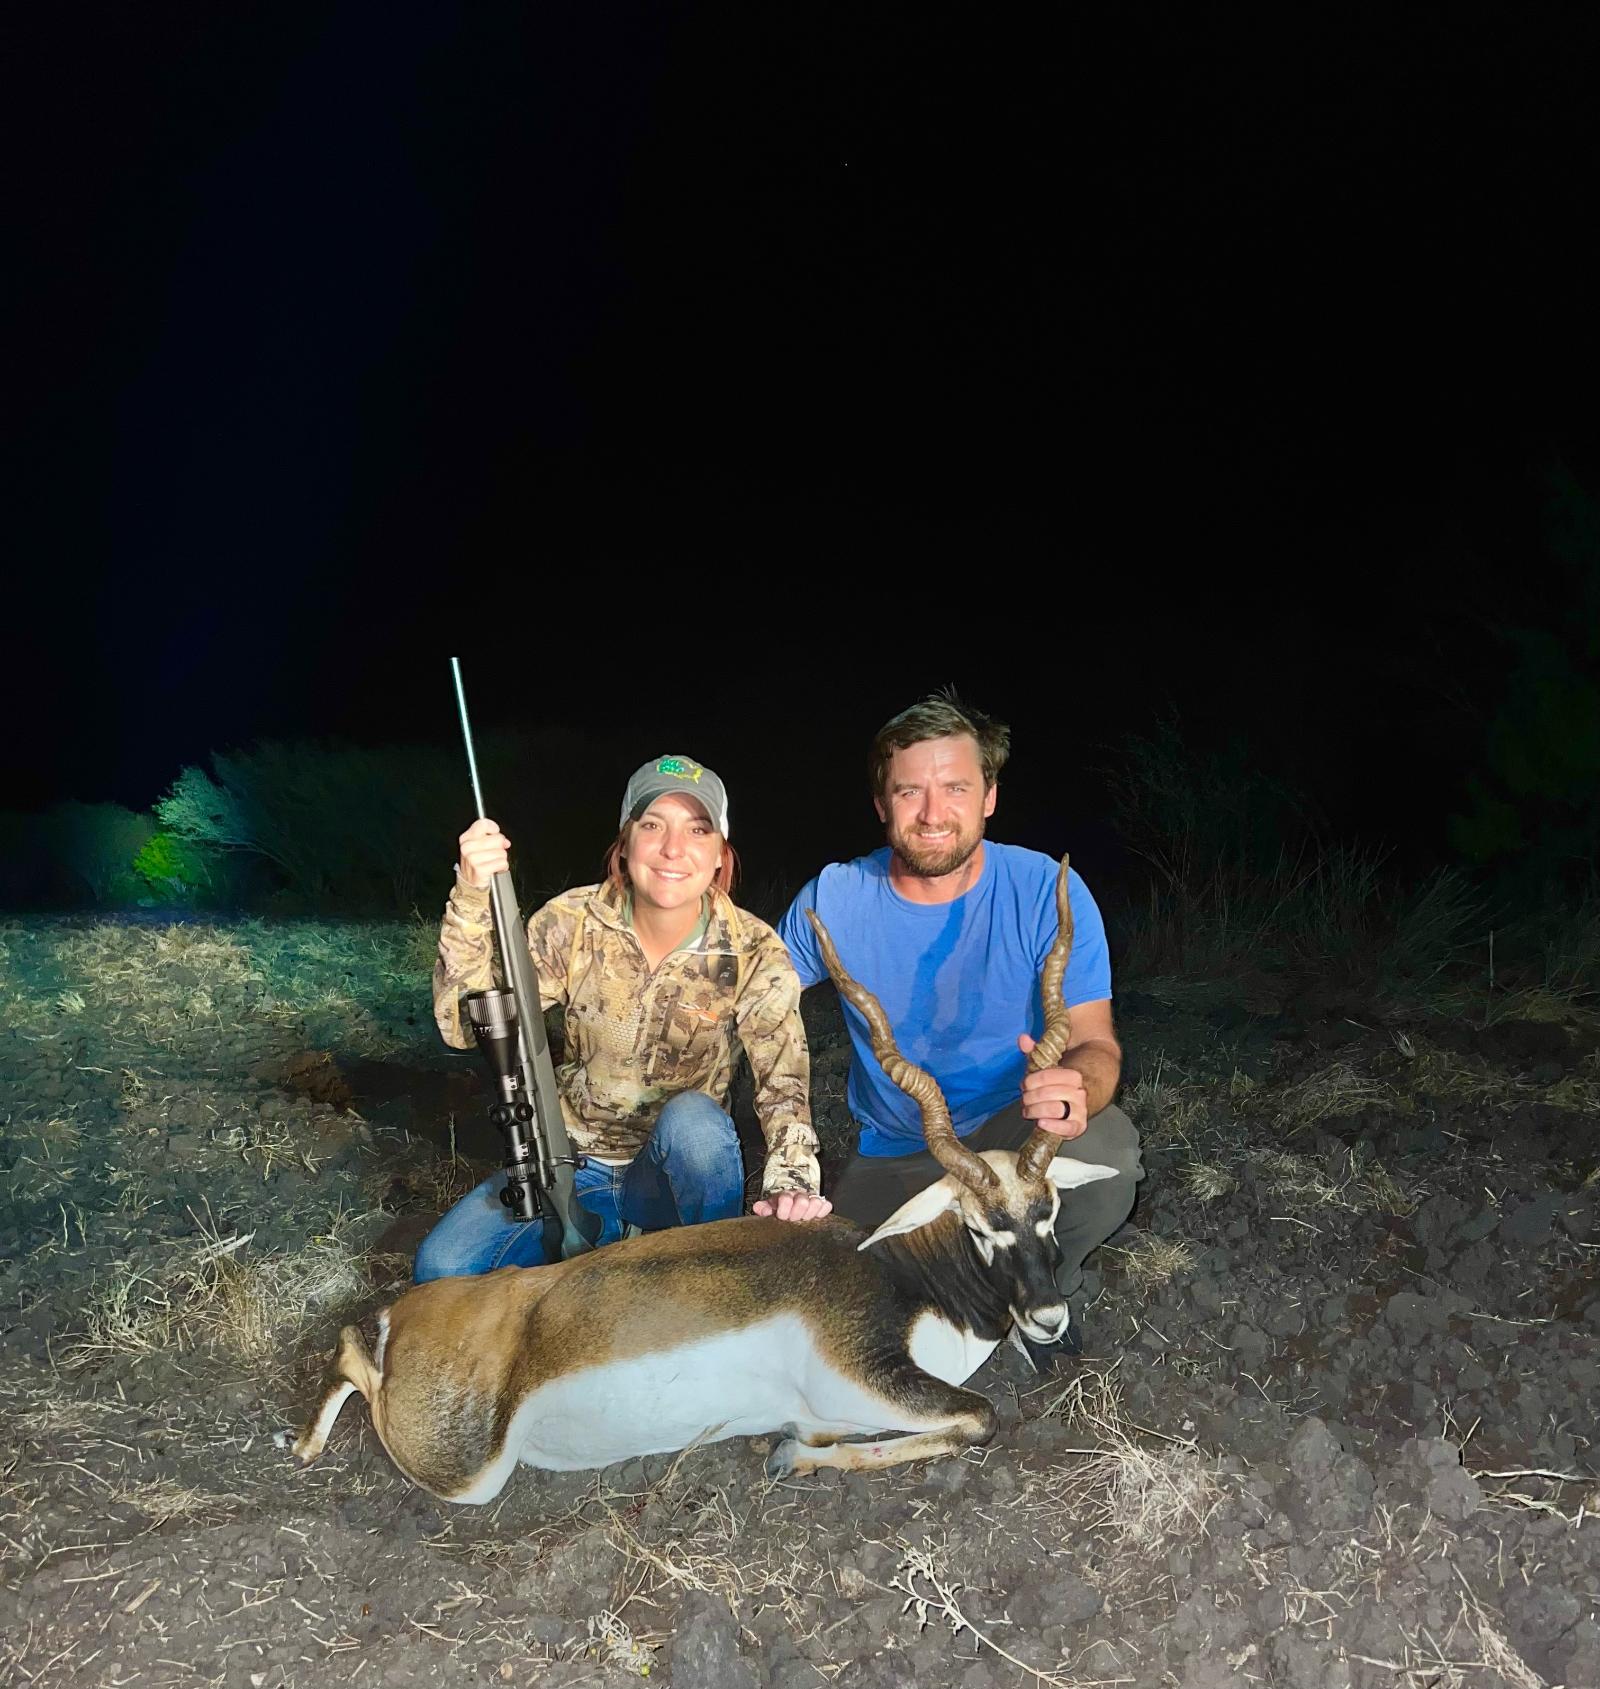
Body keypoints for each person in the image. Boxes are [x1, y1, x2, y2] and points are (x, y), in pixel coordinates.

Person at [777, 695, 1142, 1361]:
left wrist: (1078, 1086)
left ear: (989, 796)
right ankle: (978, 1294)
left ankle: (1040, 1290)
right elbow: (744, 998)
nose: (933, 812)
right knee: (834, 1286)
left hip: (1013, 1132)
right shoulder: (834, 898)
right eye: (909, 791)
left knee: (1112, 1154)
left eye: (955, 788)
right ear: (882, 804)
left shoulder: (1043, 889)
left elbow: (1098, 1043)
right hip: (900, 1150)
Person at [417, 754, 830, 1281]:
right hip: (568, 1166)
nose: (673, 849)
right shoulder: (570, 921)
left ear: (721, 854)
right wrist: (472, 895)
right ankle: (611, 1245)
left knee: (698, 1127)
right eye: (652, 825)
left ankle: (708, 1283)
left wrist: (792, 1182)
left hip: (671, 1176)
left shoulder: (754, 950)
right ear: (626, 839)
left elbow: (782, 1081)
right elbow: (462, 1023)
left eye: (697, 830)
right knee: (441, 1268)